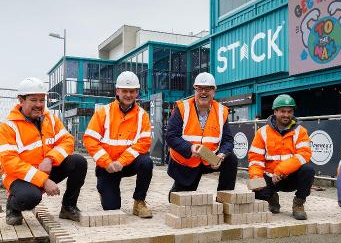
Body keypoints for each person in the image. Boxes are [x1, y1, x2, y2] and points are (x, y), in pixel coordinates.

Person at [0, 77, 87, 225]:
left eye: (42, 100)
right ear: (21, 100)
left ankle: (68, 206)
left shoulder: (50, 119)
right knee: (30, 198)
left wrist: (50, 159)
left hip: (46, 168)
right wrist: (44, 180)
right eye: (34, 100)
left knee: (78, 162)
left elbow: (68, 141)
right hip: (19, 177)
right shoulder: (8, 126)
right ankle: (13, 206)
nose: (39, 105)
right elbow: (10, 163)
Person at [83, 71, 153, 218]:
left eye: (132, 91)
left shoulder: (142, 115)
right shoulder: (103, 113)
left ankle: (139, 202)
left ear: (137, 93)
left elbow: (144, 143)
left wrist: (122, 161)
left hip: (128, 164)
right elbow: (89, 139)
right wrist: (106, 162)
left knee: (146, 162)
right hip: (107, 167)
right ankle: (105, 191)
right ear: (117, 91)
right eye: (125, 91)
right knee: (112, 208)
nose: (128, 95)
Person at [166, 72, 238, 197]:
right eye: (200, 89)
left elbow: (228, 140)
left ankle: (224, 199)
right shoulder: (182, 108)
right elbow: (171, 136)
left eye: (208, 89)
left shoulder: (221, 111)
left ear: (214, 91)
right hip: (186, 160)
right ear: (195, 90)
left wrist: (221, 155)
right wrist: (190, 147)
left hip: (208, 159)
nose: (203, 92)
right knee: (181, 199)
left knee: (230, 159)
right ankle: (176, 191)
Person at [248, 94, 314, 220]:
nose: (286, 115)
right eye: (283, 111)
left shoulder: (301, 131)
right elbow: (255, 158)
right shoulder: (262, 132)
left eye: (290, 111)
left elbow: (304, 154)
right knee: (257, 191)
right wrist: (256, 178)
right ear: (275, 112)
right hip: (270, 177)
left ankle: (298, 204)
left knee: (308, 170)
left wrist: (281, 170)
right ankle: (272, 198)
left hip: (290, 177)